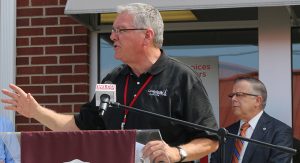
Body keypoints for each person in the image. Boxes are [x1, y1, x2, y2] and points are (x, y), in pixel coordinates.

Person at [1, 3, 219, 163]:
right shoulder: (112, 79)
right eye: (113, 30)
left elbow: (211, 140)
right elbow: (78, 127)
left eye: (120, 30)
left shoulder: (182, 78)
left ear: (147, 35)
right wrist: (36, 111)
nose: (112, 36)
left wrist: (176, 153)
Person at [210, 77, 293, 163]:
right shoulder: (225, 133)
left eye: (239, 94)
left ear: (258, 100)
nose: (233, 99)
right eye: (232, 95)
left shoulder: (279, 132)